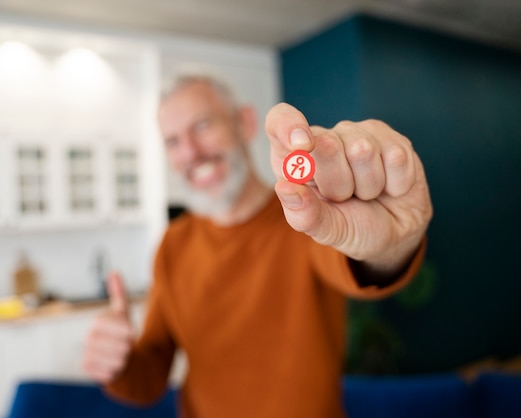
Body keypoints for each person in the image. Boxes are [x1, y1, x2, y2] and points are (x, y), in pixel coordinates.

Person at [83, 75, 433, 417]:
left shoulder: (308, 216)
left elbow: (363, 265)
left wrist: (391, 245)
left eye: (203, 126)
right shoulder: (173, 244)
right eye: (173, 141)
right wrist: (120, 364)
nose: (190, 152)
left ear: (245, 123)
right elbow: (150, 375)